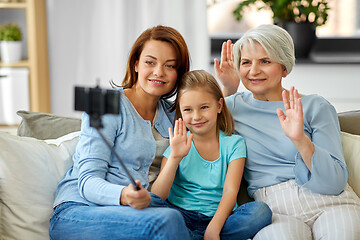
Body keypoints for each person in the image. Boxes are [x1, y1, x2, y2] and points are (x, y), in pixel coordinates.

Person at [214, 24, 360, 239]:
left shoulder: (315, 106)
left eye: (265, 61)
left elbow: (334, 182)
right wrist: (228, 89)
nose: (253, 71)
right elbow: (208, 130)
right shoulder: (232, 107)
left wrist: (301, 140)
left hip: (331, 201)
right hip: (274, 210)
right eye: (246, 62)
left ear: (284, 66)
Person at [49, 25, 192, 240]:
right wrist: (124, 195)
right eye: (150, 62)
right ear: (136, 64)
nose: (159, 72)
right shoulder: (107, 106)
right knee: (168, 221)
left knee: (236, 220)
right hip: (80, 211)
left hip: (139, 213)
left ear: (178, 73)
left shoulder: (175, 114)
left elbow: (210, 119)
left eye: (169, 66)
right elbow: (87, 181)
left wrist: (228, 88)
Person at [151, 69, 272, 240]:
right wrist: (175, 157)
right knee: (157, 209)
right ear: (180, 111)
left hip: (220, 219)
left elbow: (230, 192)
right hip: (179, 215)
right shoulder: (177, 143)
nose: (196, 116)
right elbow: (157, 196)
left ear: (219, 106)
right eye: (188, 110)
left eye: (204, 107)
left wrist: (213, 229)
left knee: (260, 211)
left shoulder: (234, 144)